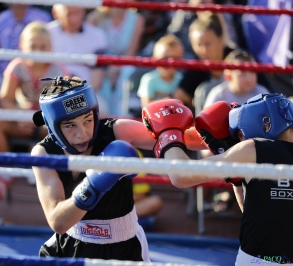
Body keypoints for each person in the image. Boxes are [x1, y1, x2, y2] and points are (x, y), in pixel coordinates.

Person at [30, 76, 206, 259]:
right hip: (72, 246)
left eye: (87, 120)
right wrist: (93, 184)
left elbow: (183, 139)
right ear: (52, 126)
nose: (82, 133)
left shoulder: (117, 132)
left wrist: (224, 133)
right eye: (69, 125)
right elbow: (58, 222)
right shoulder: (44, 153)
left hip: (126, 247)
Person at [142, 94, 293, 264]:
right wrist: (238, 178)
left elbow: (181, 176)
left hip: (258, 259)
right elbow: (261, 213)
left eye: (240, 133)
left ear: (264, 123)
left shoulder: (253, 149)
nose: (240, 138)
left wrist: (168, 135)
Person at [0, 21, 69, 205]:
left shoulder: (58, 70)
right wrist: (20, 116)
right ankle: (4, 176)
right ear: (22, 47)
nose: (38, 51)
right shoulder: (17, 66)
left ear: (50, 48)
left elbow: (63, 103)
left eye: (43, 46)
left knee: (63, 131)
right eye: (33, 46)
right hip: (19, 118)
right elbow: (4, 99)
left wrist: (38, 118)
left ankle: (57, 181)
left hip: (46, 122)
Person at [0, 3, 51, 108]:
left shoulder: (43, 18)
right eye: (33, 46)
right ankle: (7, 118)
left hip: (40, 72)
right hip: (4, 72)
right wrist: (10, 75)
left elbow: (48, 46)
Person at [46, 4, 109, 114]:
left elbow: (97, 75)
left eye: (78, 12)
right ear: (55, 13)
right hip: (50, 90)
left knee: (102, 111)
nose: (74, 19)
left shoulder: (97, 35)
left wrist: (82, 97)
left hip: (85, 91)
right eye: (69, 13)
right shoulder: (46, 33)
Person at [87, 5, 145, 116]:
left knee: (127, 72)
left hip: (124, 65)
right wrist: (107, 66)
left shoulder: (137, 19)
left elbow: (131, 51)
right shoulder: (94, 18)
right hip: (101, 65)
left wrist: (117, 66)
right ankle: (101, 116)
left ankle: (123, 117)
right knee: (97, 75)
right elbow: (91, 48)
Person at [204, 50, 269, 109]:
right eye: (242, 74)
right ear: (228, 76)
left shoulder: (261, 93)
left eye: (252, 72)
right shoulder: (218, 96)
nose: (249, 78)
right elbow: (205, 120)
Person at [137, 34, 184, 108]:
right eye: (164, 59)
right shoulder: (149, 79)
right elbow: (146, 106)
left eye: (175, 59)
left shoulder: (182, 80)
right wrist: (168, 102)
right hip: (154, 118)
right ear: (154, 59)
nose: (169, 62)